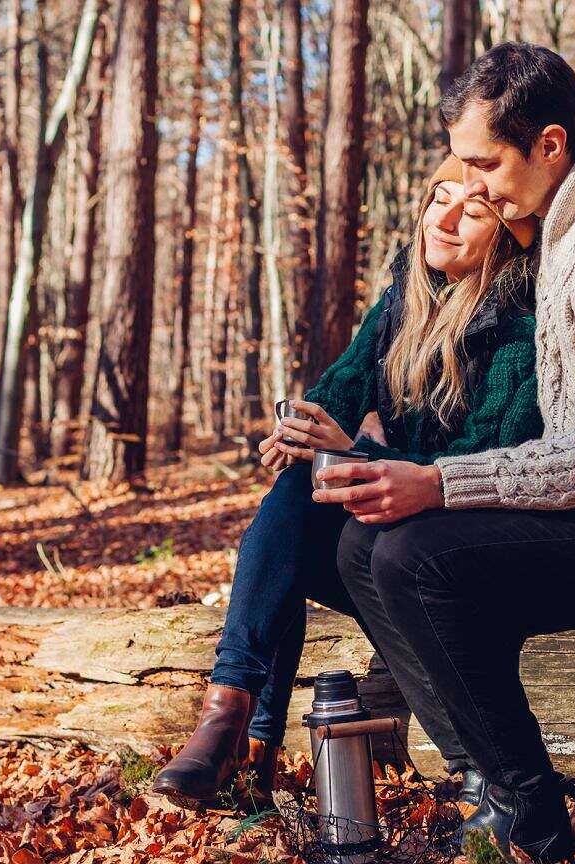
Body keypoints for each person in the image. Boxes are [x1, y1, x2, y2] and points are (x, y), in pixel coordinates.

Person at [314, 43, 575, 862]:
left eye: (485, 162)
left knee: (414, 557)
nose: (470, 183)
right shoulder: (558, 227)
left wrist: (439, 484)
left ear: (550, 145)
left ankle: (530, 814)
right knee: (362, 543)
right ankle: (486, 780)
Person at [151, 156, 545, 812]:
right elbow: (347, 379)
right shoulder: (406, 296)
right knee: (294, 496)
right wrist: (302, 428)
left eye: (471, 211)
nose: (441, 219)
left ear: (503, 238)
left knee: (302, 521)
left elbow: (483, 462)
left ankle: (241, 739)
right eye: (436, 198)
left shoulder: (518, 334)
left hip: (442, 566)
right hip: (386, 543)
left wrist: (350, 451)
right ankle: (238, 737)